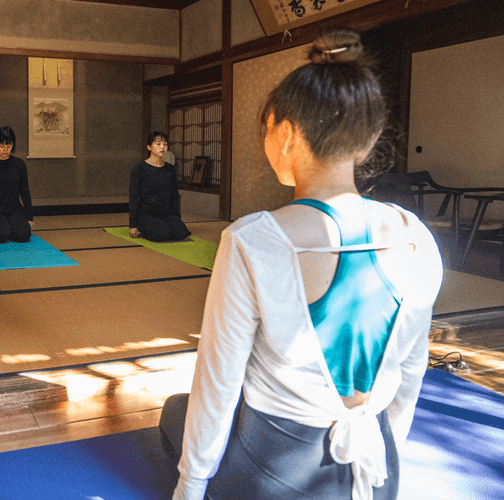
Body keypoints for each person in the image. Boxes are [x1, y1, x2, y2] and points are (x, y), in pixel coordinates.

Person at [160, 28, 443, 500]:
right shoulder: (416, 236)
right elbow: (410, 377)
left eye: (267, 130)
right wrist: (382, 474)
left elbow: (219, 382)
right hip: (376, 469)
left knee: (176, 410)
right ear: (369, 140)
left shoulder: (253, 239)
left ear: (286, 133)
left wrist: (189, 489)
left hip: (276, 478)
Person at [129, 131, 191, 242]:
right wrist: (132, 224)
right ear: (149, 147)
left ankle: (163, 227)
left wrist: (176, 219)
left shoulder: (170, 169)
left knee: (182, 232)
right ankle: (145, 228)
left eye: (165, 144)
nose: (162, 147)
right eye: (158, 144)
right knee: (163, 233)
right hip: (146, 215)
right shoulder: (140, 169)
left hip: (165, 214)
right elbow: (133, 197)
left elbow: (174, 196)